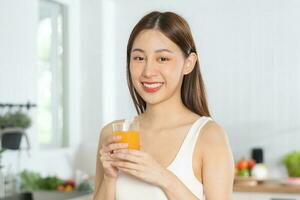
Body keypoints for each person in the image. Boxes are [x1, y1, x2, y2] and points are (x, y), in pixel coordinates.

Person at [93, 11, 234, 200]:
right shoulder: (112, 134)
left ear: (188, 64)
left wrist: (163, 177)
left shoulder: (209, 136)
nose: (148, 71)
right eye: (139, 58)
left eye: (163, 58)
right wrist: (110, 178)